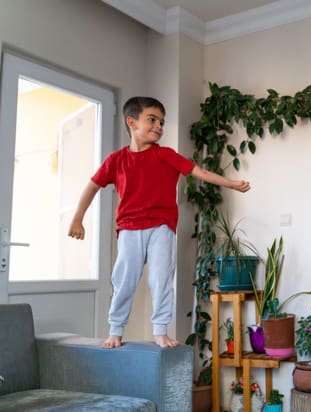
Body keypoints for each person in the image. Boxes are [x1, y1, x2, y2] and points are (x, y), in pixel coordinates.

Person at [68, 96, 250, 349]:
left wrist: (231, 184)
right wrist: (78, 218)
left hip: (161, 227)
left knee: (161, 278)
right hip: (130, 228)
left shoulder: (166, 155)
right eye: (152, 120)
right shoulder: (116, 160)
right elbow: (92, 185)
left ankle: (160, 331)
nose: (158, 126)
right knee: (124, 278)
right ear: (131, 122)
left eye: (162, 122)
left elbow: (200, 172)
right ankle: (116, 330)